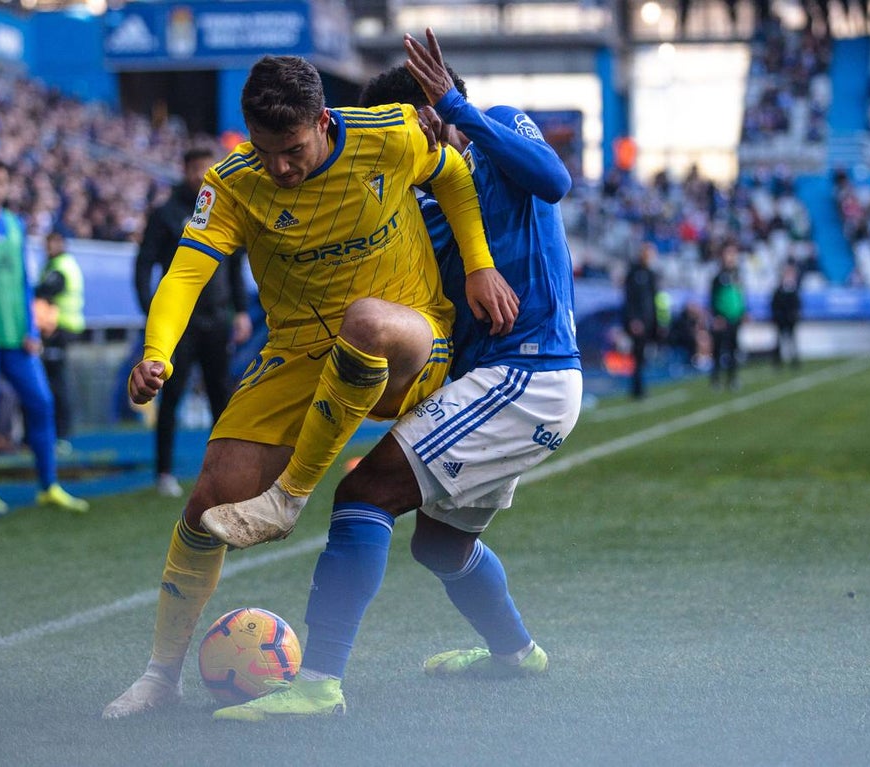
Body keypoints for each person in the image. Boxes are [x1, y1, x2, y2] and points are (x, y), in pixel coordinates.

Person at [102, 54, 518, 719]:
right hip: (298, 353)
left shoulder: (387, 134)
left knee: (368, 324)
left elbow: (455, 176)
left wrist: (477, 266)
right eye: (265, 152)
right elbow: (184, 273)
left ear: (323, 122)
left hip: (414, 335)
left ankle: (290, 497)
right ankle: (160, 676)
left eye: (293, 150)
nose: (281, 168)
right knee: (207, 501)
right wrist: (157, 352)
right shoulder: (235, 183)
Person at [211, 27, 582, 722]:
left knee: (363, 492)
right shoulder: (417, 196)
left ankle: (319, 681)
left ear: (429, 116)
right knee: (442, 543)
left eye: (407, 126)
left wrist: (459, 110)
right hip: (498, 381)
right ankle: (515, 652)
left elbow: (555, 182)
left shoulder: (494, 126)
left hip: (525, 374)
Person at [0, 155, 88, 515]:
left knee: (41, 402)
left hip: (17, 339)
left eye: (0, 182)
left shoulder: (14, 225)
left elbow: (25, 283)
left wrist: (29, 328)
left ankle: (49, 485)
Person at [134, 148, 253, 498]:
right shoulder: (165, 214)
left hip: (217, 319)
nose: (202, 173)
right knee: (170, 394)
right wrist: (149, 309)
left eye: (207, 166)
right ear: (185, 168)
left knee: (221, 395)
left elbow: (233, 264)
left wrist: (242, 311)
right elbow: (144, 264)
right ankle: (164, 472)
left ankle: (224, 470)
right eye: (196, 167)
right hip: (180, 324)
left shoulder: (222, 205)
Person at [34, 231, 86, 447]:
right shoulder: (56, 265)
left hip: (60, 330)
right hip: (55, 330)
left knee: (57, 382)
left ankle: (61, 433)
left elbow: (46, 290)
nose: (48, 247)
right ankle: (55, 432)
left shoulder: (61, 266)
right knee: (53, 380)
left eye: (52, 242)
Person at [623, 242, 660, 399]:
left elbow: (653, 299)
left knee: (643, 356)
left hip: (649, 321)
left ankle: (640, 386)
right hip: (638, 322)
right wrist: (633, 319)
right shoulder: (634, 273)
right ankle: (637, 388)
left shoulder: (650, 274)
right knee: (637, 355)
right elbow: (629, 299)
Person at [709, 242, 746, 391]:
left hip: (734, 319)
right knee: (719, 350)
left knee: (733, 350)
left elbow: (740, 296)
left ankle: (732, 379)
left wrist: (743, 312)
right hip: (722, 319)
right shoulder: (718, 277)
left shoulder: (737, 275)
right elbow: (713, 298)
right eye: (728, 254)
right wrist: (717, 316)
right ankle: (716, 379)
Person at [770, 260, 802, 369]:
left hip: (790, 319)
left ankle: (794, 361)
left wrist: (794, 315)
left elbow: (797, 305)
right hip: (781, 319)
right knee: (779, 341)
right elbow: (774, 304)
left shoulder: (793, 289)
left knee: (792, 340)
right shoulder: (779, 289)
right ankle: (777, 362)